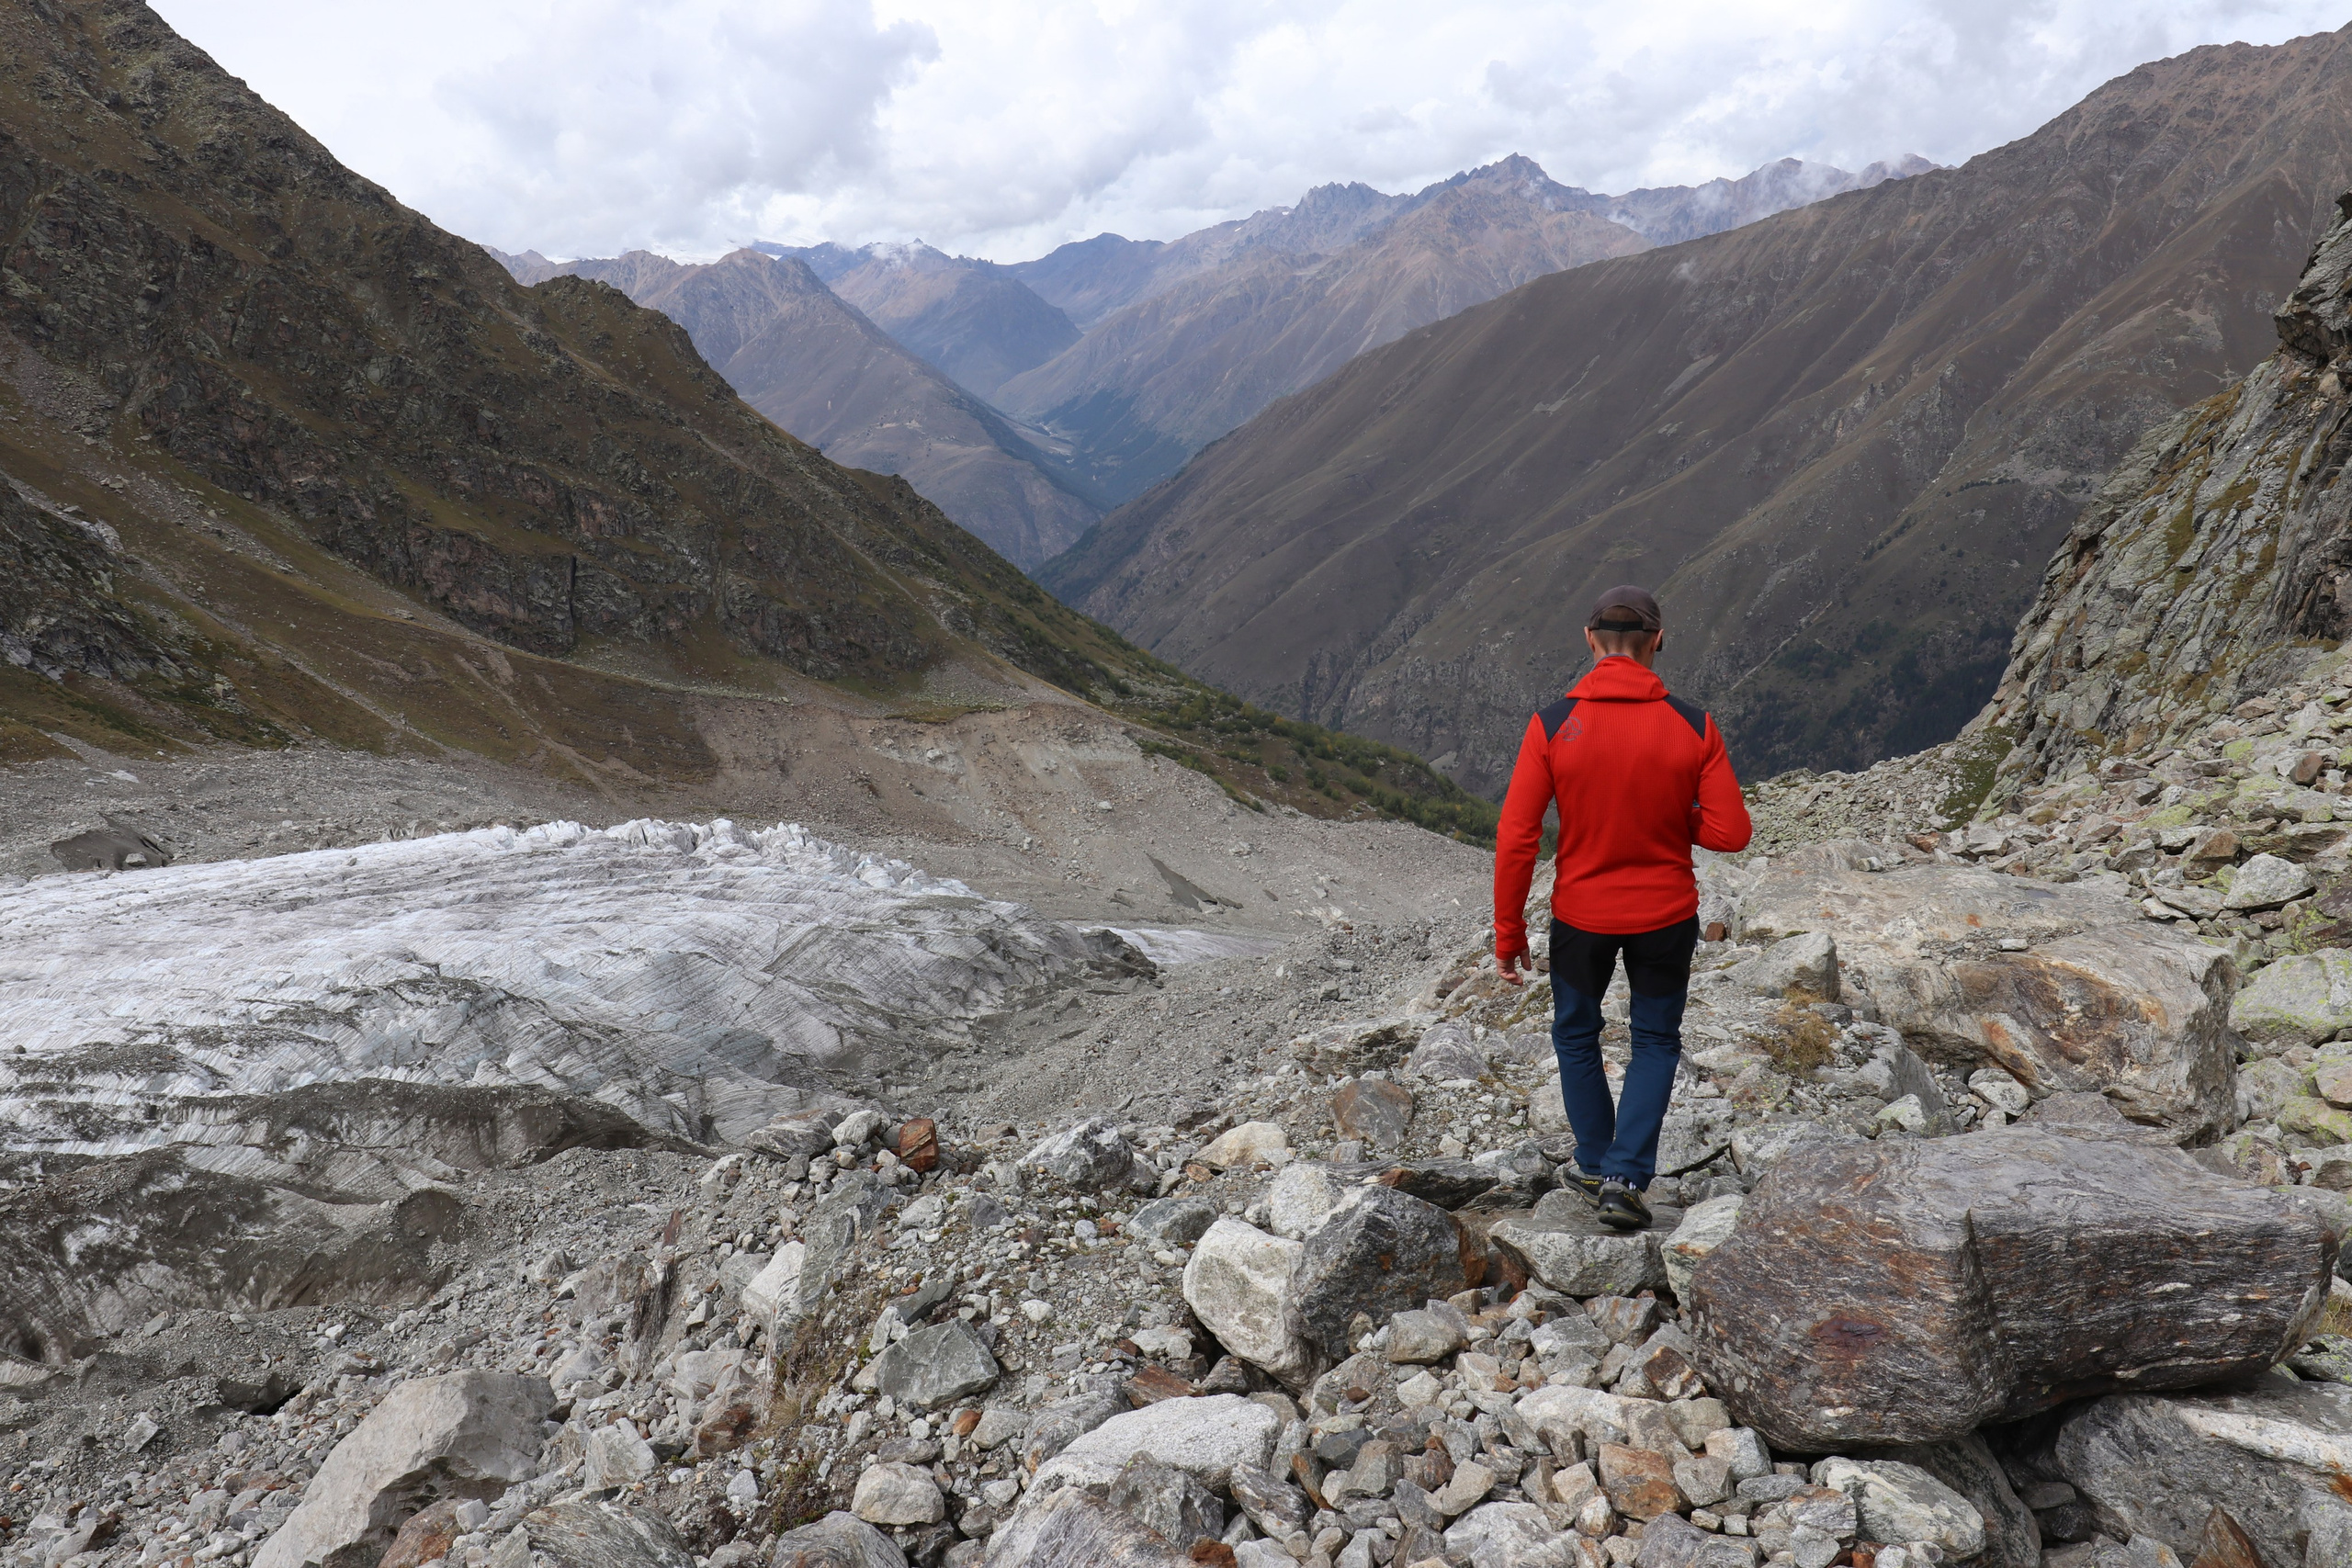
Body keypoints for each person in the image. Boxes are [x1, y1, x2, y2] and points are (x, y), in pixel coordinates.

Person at [1492, 585, 1752, 1231]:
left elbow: (1518, 834)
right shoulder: (1694, 724)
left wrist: (1509, 929)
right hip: (1666, 913)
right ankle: (1625, 1175)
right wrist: (1671, 813)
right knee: (1655, 1039)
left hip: (1581, 914)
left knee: (1577, 1034)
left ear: (1589, 640)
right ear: (1657, 641)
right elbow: (1731, 831)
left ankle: (1593, 1160)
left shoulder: (1552, 723)